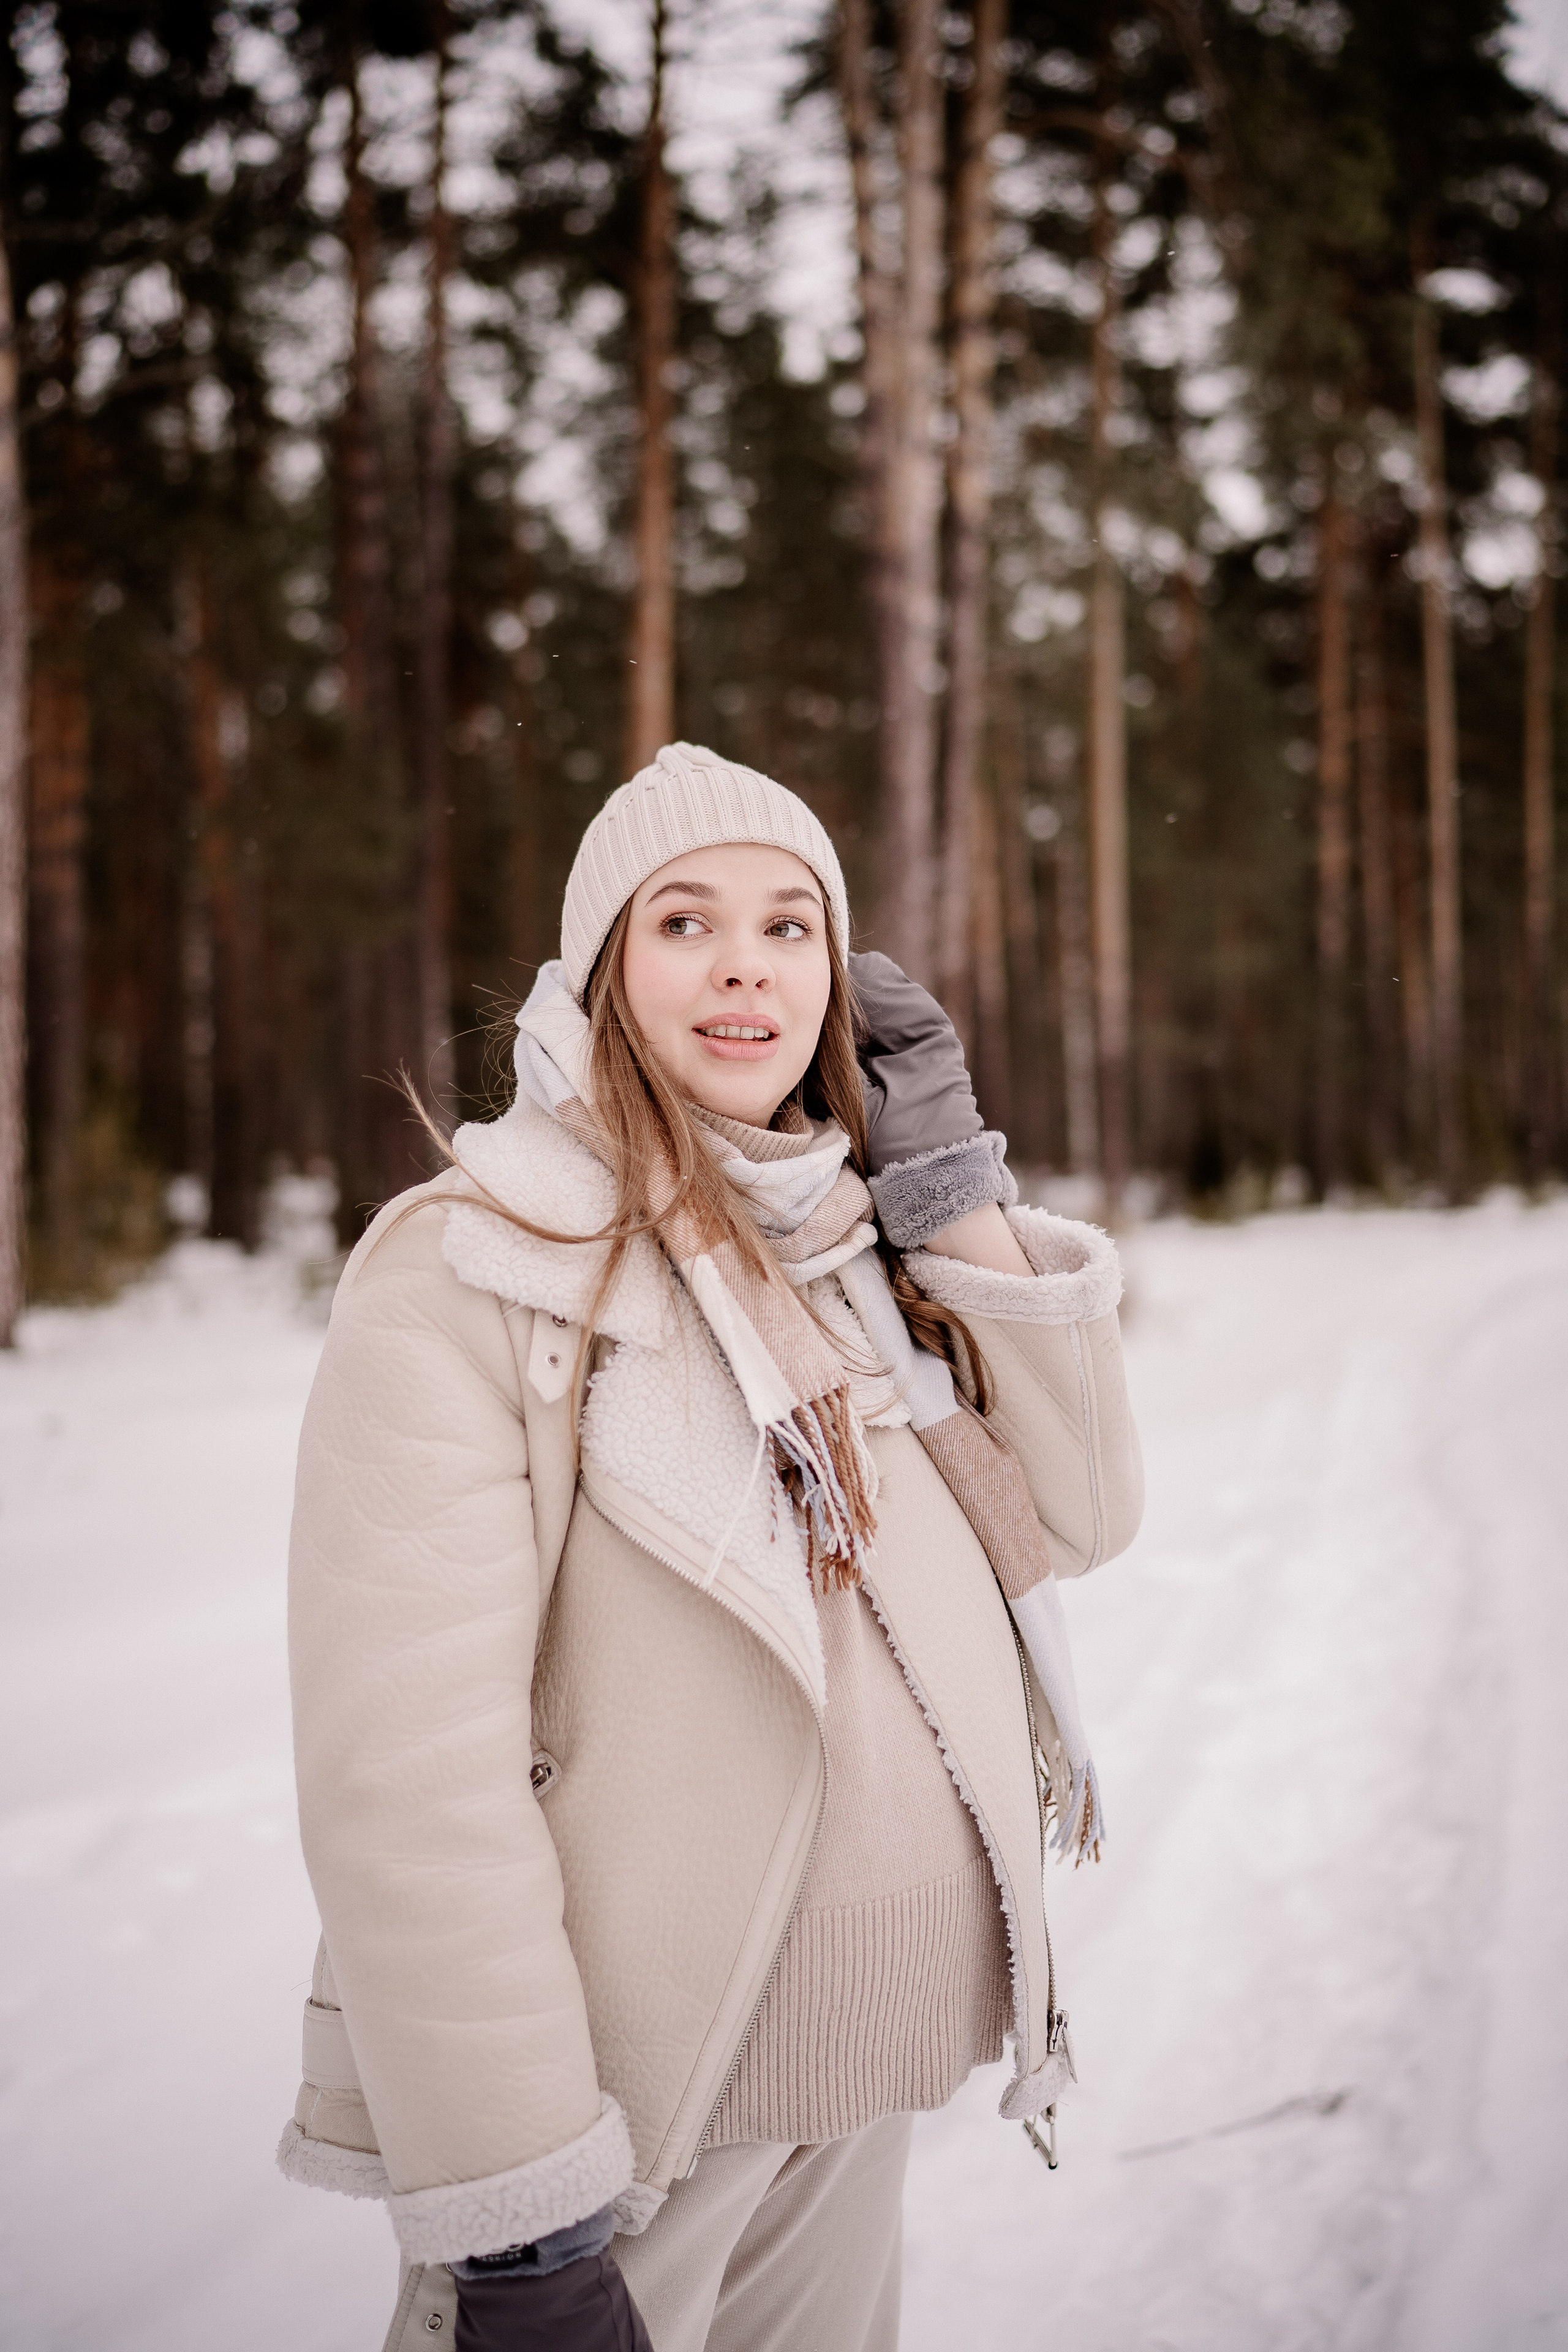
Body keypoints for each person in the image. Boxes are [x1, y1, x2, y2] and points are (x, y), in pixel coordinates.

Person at [277, 742, 1144, 2352]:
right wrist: (520, 2209)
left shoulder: (854, 1251)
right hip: (632, 2127)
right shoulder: (479, 1263)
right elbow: (409, 1787)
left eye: (787, 923)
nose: (744, 959)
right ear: (605, 974)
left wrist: (951, 1196)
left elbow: (1078, 1513)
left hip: (862, 2086)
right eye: (684, 922)